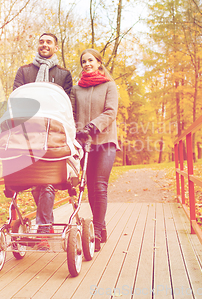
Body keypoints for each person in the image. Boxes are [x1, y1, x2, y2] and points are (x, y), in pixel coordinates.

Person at [12, 33, 73, 250]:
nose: (44, 44)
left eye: (49, 42)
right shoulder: (24, 71)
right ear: (37, 45)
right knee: (37, 182)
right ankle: (43, 226)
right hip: (29, 133)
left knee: (46, 182)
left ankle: (44, 231)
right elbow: (17, 99)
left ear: (55, 47)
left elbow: (66, 106)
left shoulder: (64, 75)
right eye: (41, 41)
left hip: (52, 134)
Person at [71, 48, 119, 252]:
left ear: (99, 63)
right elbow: (71, 114)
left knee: (99, 185)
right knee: (89, 186)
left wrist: (93, 126)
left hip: (105, 141)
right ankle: (102, 226)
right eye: (83, 61)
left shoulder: (109, 85)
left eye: (90, 60)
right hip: (84, 143)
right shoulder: (76, 89)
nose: (87, 64)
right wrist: (77, 131)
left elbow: (110, 112)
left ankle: (97, 232)